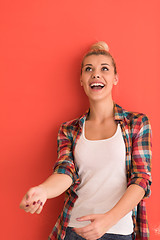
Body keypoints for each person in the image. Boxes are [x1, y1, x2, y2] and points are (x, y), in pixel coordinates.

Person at [19, 41, 152, 240]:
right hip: (74, 230)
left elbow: (141, 180)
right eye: (88, 69)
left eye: (104, 69)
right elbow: (65, 173)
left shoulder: (137, 123)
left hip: (118, 231)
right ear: (81, 80)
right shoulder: (69, 129)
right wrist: (42, 190)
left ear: (115, 78)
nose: (96, 74)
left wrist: (108, 220)